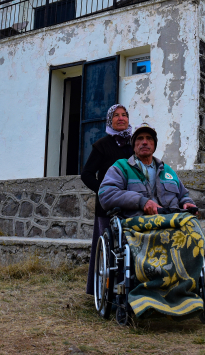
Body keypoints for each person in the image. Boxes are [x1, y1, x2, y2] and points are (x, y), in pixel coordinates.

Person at [81, 104, 133, 295]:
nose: (121, 118)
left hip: (132, 205)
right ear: (109, 120)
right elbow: (86, 174)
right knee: (109, 248)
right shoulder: (102, 145)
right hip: (108, 207)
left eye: (124, 115)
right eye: (116, 115)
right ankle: (105, 292)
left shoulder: (134, 145)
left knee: (129, 247)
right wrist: (103, 192)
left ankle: (128, 289)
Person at [98, 123, 197, 219]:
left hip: (172, 222)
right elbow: (106, 194)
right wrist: (141, 201)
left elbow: (183, 195)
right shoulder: (121, 167)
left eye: (149, 138)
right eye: (140, 138)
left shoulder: (167, 170)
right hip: (137, 227)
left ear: (154, 144)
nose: (145, 142)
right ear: (133, 144)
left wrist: (186, 202)